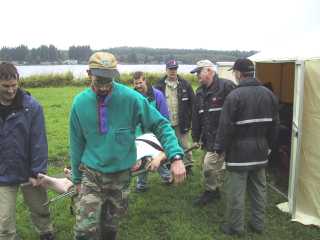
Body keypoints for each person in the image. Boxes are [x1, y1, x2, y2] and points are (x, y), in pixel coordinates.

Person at [69, 52, 186, 240]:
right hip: (92, 175)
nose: (105, 86)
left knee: (110, 228)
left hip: (121, 176)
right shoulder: (79, 103)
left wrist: (176, 156)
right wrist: (76, 179)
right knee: (84, 231)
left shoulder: (131, 98)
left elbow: (161, 124)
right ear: (88, 73)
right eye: (99, 79)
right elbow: (76, 143)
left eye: (109, 79)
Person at [214, 59, 279, 236]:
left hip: (238, 153)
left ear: (238, 73)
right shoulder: (269, 94)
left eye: (234, 72)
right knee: (259, 190)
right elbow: (275, 125)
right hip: (261, 151)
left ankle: (235, 227)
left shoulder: (234, 96)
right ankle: (258, 225)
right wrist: (269, 147)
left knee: (236, 192)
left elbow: (225, 127)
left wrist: (219, 149)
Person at [0, 62, 54, 240]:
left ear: (19, 81)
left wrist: (37, 172)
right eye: (5, 86)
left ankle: (46, 232)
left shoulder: (32, 107)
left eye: (14, 85)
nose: (10, 90)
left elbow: (39, 141)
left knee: (40, 208)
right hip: (2, 173)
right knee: (4, 219)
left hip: (29, 171)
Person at [191, 60, 235, 206]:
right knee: (207, 168)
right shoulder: (199, 92)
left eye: (199, 72)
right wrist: (196, 137)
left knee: (209, 166)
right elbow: (197, 117)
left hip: (224, 137)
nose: (197, 76)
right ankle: (214, 190)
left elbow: (237, 111)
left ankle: (211, 191)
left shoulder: (226, 86)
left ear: (209, 71)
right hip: (208, 138)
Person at [132, 71, 172, 191]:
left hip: (154, 134)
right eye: (135, 83)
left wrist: (162, 132)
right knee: (141, 158)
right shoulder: (132, 96)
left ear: (145, 81)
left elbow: (164, 116)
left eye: (140, 82)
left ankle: (167, 177)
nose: (138, 85)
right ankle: (141, 185)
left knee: (156, 156)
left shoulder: (157, 95)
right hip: (139, 134)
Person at [155, 59, 195, 174]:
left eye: (175, 69)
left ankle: (188, 166)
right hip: (165, 123)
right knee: (167, 146)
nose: (173, 71)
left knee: (184, 146)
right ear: (166, 70)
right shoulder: (158, 85)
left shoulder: (185, 84)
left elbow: (193, 103)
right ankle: (169, 166)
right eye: (170, 69)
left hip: (181, 122)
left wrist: (190, 119)